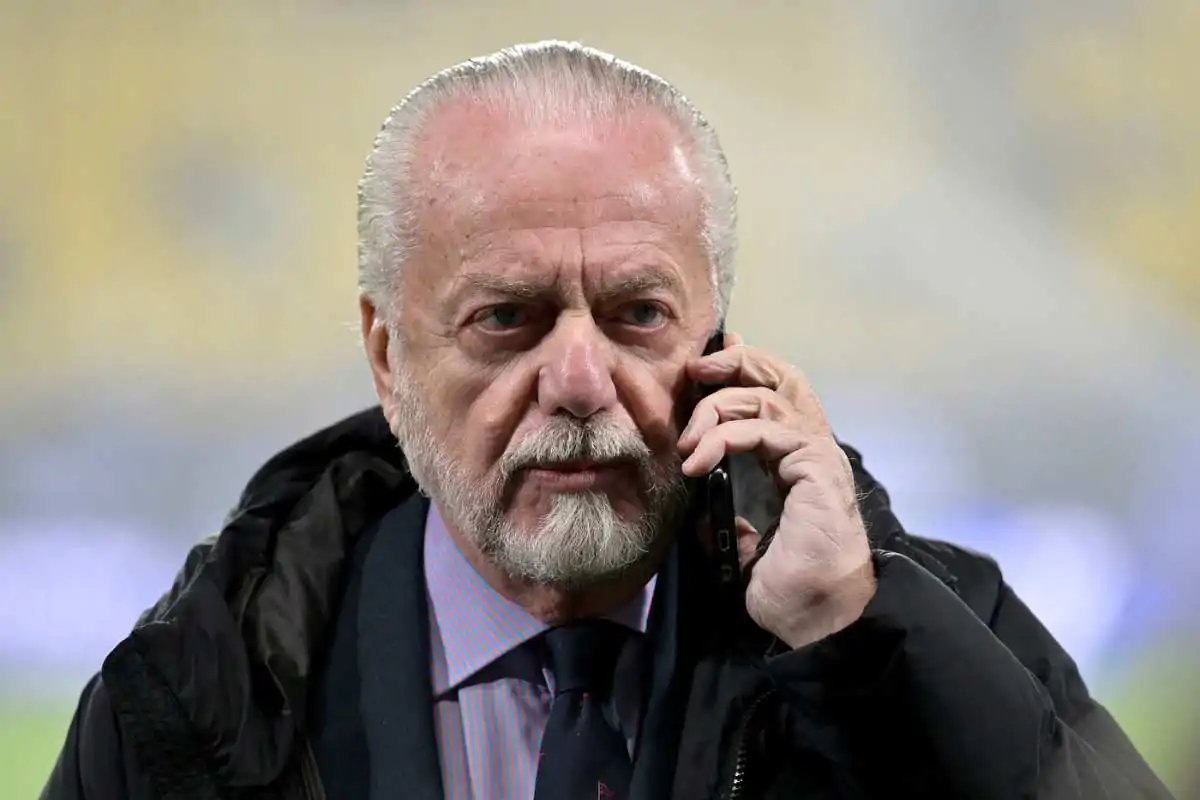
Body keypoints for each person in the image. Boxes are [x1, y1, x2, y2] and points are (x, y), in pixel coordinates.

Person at [41, 40, 1172, 800]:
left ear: (718, 339)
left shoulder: (932, 627)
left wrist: (854, 641)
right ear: (388, 354)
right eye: (506, 318)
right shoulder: (199, 689)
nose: (580, 380)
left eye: (638, 313)